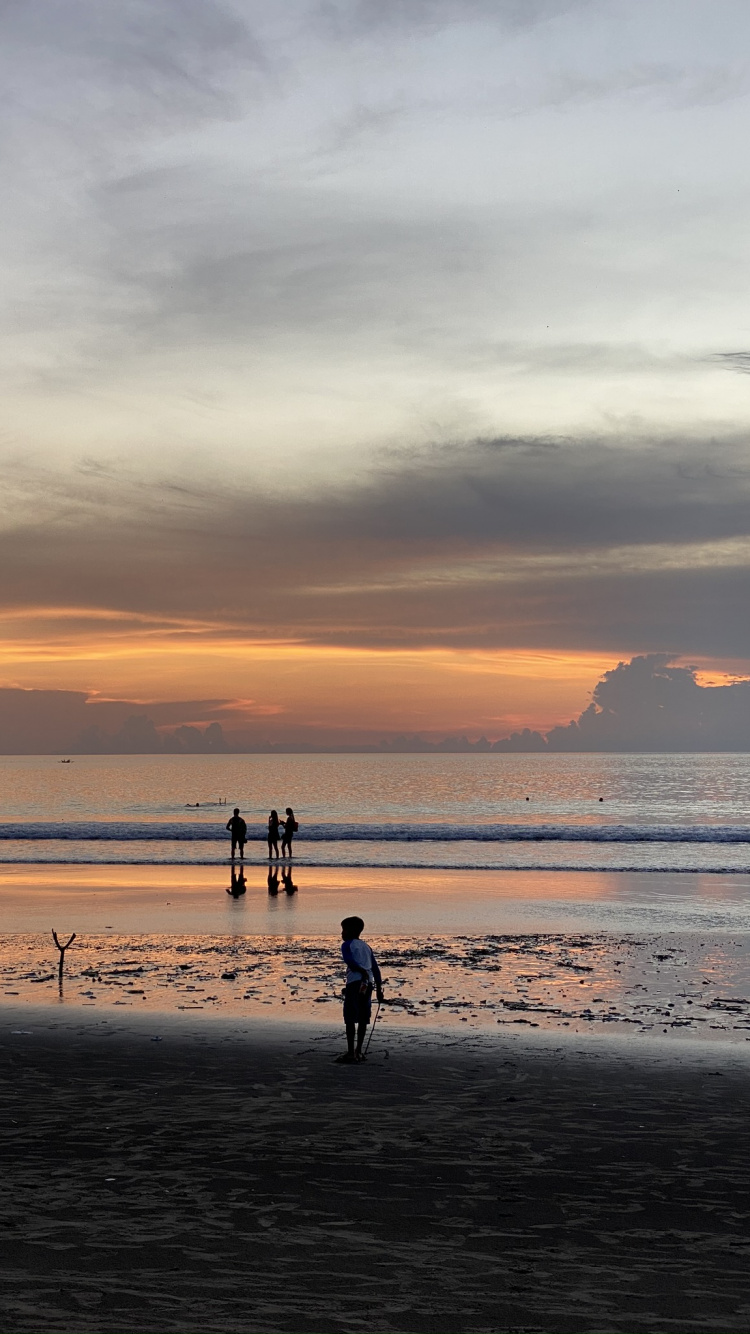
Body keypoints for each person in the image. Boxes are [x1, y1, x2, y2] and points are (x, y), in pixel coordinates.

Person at [337, 916, 384, 1064]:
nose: (342, 933)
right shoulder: (366, 947)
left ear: (351, 931)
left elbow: (349, 960)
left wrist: (360, 970)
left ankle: (351, 1052)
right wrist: (379, 989)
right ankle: (359, 1050)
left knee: (350, 1016)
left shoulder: (347, 945)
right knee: (363, 1016)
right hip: (368, 984)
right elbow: (375, 969)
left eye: (344, 930)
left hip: (355, 982)